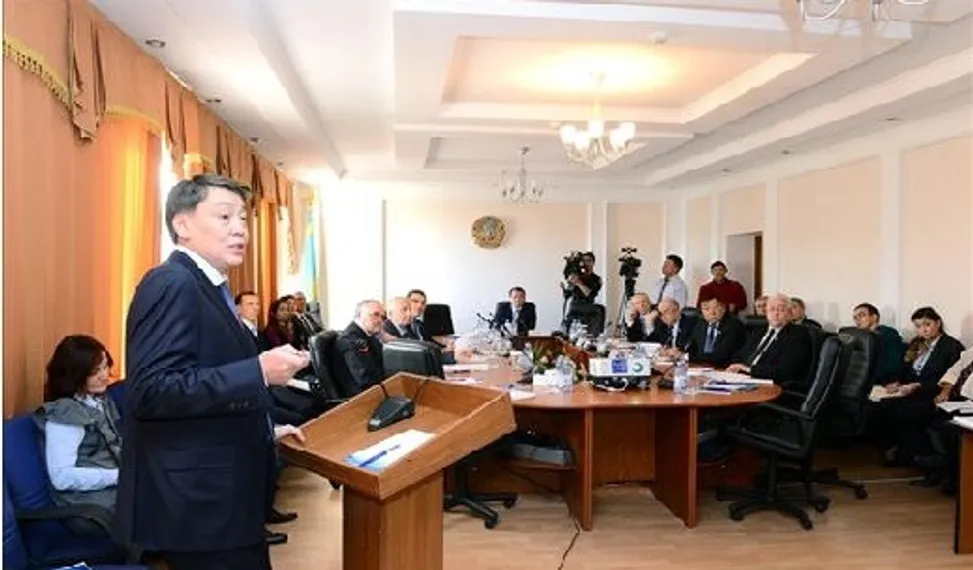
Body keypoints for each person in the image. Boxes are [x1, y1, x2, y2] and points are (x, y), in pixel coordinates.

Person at [114, 174, 310, 570]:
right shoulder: (172, 282)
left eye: (243, 219)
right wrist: (257, 371)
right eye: (224, 217)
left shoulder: (208, 287)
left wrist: (265, 428)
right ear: (182, 224)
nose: (240, 229)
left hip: (221, 497)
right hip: (199, 503)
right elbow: (152, 391)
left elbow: (206, 376)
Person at [35, 335, 120, 537]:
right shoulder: (65, 415)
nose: (104, 375)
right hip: (87, 507)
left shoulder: (98, 400)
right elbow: (62, 478)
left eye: (105, 366)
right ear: (75, 375)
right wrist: (118, 476)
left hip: (109, 491)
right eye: (95, 371)